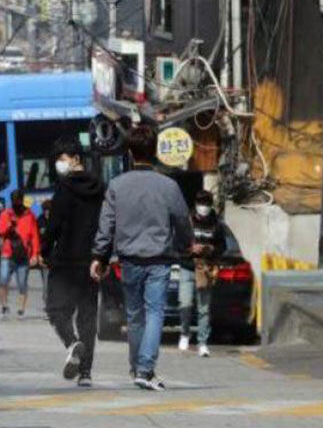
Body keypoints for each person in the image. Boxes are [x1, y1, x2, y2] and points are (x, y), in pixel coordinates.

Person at [91, 125, 192, 391]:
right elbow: (182, 220)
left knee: (135, 316)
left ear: (130, 153)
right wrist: (185, 246)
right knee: (155, 312)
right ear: (156, 151)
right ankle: (145, 369)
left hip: (129, 260)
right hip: (159, 258)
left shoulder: (116, 185)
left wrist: (100, 256)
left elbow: (107, 224)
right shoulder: (169, 186)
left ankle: (138, 368)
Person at [42, 136, 105, 387]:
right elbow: (106, 225)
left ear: (76, 159)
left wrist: (45, 252)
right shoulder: (100, 187)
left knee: (56, 309)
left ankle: (71, 343)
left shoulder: (64, 188)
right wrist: (103, 257)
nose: (59, 164)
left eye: (62, 159)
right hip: (91, 261)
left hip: (65, 260)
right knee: (87, 316)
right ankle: (86, 373)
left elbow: (54, 225)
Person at [178, 190, 225, 358]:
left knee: (204, 308)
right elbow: (178, 245)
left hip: (205, 268)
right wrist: (191, 249)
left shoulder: (217, 224)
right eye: (201, 203)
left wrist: (210, 249)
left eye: (206, 204)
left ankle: (202, 342)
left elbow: (222, 246)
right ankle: (184, 333)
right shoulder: (187, 222)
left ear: (210, 205)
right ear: (196, 204)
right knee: (185, 303)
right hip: (188, 267)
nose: (203, 207)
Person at [0, 189, 40, 319]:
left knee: (22, 283)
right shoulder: (6, 214)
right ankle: (4, 307)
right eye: (14, 201)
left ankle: (21, 310)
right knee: (3, 280)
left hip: (23, 255)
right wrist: (9, 225)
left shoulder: (29, 215)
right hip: (7, 253)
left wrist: (35, 254)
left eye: (18, 200)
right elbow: (1, 232)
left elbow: (34, 236)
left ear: (22, 200)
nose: (16, 203)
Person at [36, 199, 52, 309]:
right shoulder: (39, 221)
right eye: (45, 210)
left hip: (56, 256)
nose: (47, 212)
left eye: (49, 210)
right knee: (46, 283)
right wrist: (38, 255)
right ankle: (47, 305)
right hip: (44, 257)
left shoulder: (57, 220)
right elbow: (36, 239)